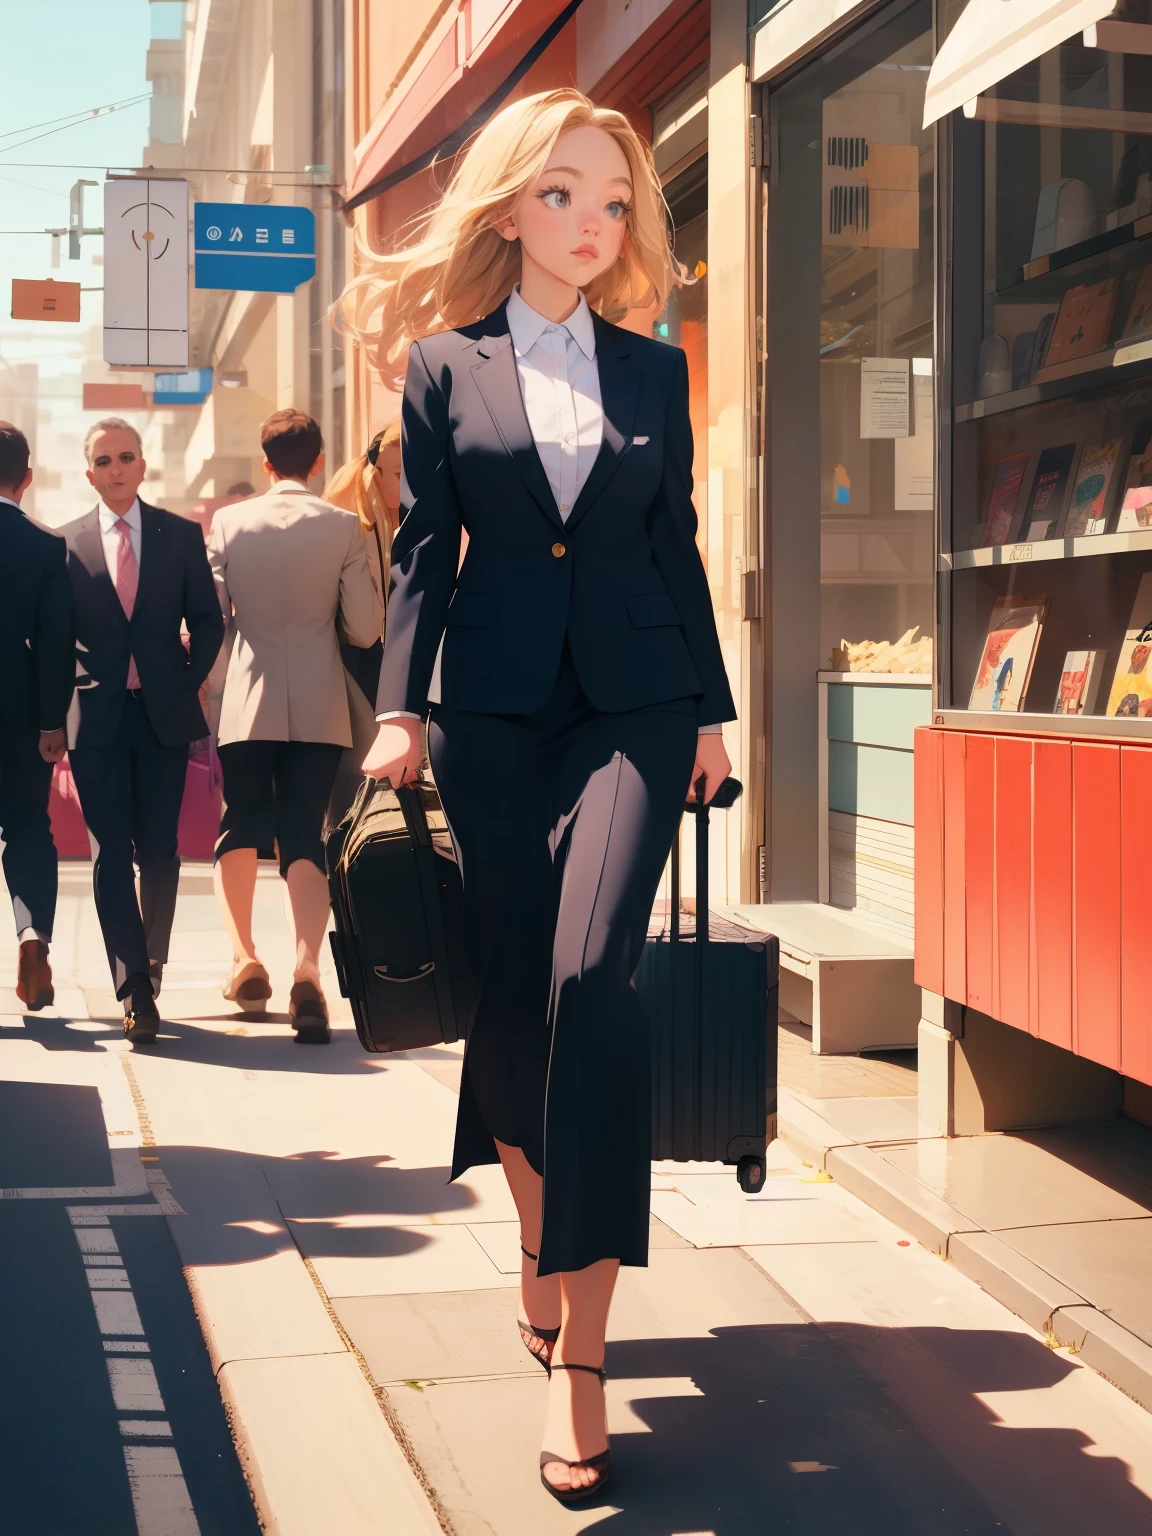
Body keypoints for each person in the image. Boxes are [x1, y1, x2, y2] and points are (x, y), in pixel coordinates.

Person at [347, 90, 735, 1502]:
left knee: (592, 986)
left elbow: (677, 550)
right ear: (510, 206)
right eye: (565, 194)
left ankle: (585, 1363)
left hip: (632, 708)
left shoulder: (654, 370)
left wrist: (707, 709)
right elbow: (424, 558)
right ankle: (534, 1230)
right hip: (494, 717)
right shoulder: (445, 367)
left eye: (616, 201)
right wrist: (398, 708)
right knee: (514, 999)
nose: (593, 221)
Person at [207, 410, 383, 1039]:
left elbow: (213, 622)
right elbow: (364, 628)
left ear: (265, 461)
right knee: (305, 831)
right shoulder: (342, 528)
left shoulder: (229, 522)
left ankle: (244, 958)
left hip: (246, 704)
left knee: (240, 825)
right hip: (319, 703)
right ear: (316, 461)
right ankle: (307, 970)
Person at [61, 418, 224, 1043]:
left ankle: (151, 962)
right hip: (94, 720)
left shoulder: (180, 536)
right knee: (108, 855)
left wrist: (186, 680)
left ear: (143, 464)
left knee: (158, 850)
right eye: (104, 461)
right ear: (89, 473)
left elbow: (209, 622)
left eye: (126, 456)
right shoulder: (66, 543)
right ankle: (133, 989)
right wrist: (56, 716)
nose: (116, 468)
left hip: (163, 714)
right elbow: (56, 639)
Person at [0, 423, 74, 1011]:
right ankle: (32, 937)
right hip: (23, 717)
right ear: (25, 479)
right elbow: (56, 644)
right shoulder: (46, 545)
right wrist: (55, 723)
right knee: (28, 829)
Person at [321, 421, 401, 826]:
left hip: (350, 663)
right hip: (353, 663)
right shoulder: (359, 520)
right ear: (377, 471)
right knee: (355, 785)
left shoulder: (372, 510)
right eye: (402, 475)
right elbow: (366, 628)